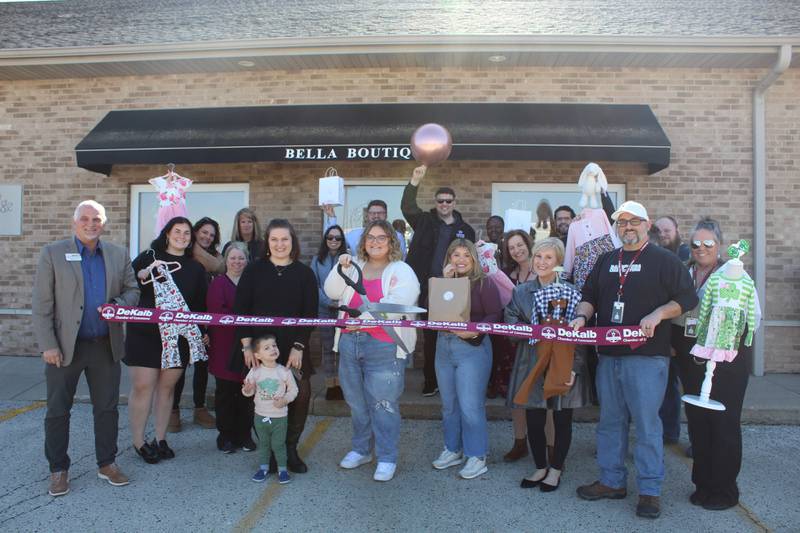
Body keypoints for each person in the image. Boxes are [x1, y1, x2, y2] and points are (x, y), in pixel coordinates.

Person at [571, 201, 697, 519]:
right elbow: (589, 296)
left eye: (634, 221)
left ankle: (650, 491)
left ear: (646, 224)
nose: (628, 227)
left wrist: (658, 313)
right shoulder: (606, 260)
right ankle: (612, 481)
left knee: (646, 425)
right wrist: (581, 317)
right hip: (609, 356)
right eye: (622, 222)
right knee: (610, 422)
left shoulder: (664, 260)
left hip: (647, 357)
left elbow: (687, 297)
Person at [32, 200, 140, 497]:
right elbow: (41, 305)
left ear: (104, 223)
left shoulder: (118, 255)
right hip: (65, 348)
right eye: (85, 219)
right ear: (74, 221)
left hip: (105, 346)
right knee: (57, 411)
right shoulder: (52, 253)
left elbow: (133, 290)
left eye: (97, 219)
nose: (91, 224)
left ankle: (107, 464)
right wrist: (48, 345)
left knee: (106, 409)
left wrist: (118, 306)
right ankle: (58, 469)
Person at [324, 220, 420, 482]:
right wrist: (340, 267)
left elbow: (398, 303)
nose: (375, 242)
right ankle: (361, 449)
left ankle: (387, 457)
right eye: (371, 238)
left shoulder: (402, 270)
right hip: (348, 342)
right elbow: (331, 291)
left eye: (382, 238)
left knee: (384, 403)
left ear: (392, 242)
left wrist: (363, 316)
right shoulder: (354, 267)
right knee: (356, 402)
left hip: (384, 346)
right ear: (363, 242)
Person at [672, 218, 751, 511]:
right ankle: (703, 485)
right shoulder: (684, 273)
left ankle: (724, 490)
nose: (701, 248)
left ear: (719, 246)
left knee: (724, 425)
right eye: (695, 243)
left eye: (707, 243)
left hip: (727, 362)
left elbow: (749, 315)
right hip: (691, 359)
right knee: (698, 424)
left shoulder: (734, 275)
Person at [505, 237, 591, 492]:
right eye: (538, 257)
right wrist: (537, 330)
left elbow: (581, 336)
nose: (542, 262)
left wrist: (575, 367)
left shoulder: (572, 293)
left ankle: (556, 469)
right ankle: (540, 465)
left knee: (563, 419)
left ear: (558, 263)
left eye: (548, 258)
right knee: (534, 419)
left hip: (564, 364)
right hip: (532, 362)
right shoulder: (520, 292)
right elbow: (509, 326)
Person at [233, 218, 318, 474]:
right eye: (274, 239)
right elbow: (241, 310)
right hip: (260, 347)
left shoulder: (304, 274)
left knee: (300, 394)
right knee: (261, 397)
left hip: (293, 345)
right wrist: (247, 346)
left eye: (285, 239)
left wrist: (299, 345)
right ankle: (269, 450)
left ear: (293, 242)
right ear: (267, 243)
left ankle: (290, 449)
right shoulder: (253, 271)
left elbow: (310, 314)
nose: (280, 244)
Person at [124, 216, 209, 464]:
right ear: (167, 233)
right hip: (146, 334)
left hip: (178, 336)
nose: (182, 236)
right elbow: (129, 283)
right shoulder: (148, 256)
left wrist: (202, 330)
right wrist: (141, 273)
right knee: (143, 386)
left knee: (166, 387)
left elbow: (200, 305)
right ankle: (139, 441)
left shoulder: (196, 268)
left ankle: (160, 439)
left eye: (186, 233)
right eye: (177, 231)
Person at [430, 239, 503, 480]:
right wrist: (444, 282)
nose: (460, 260)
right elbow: (429, 310)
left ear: (473, 259)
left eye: (466, 255)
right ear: (449, 258)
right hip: (444, 346)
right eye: (455, 254)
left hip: (472, 348)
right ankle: (453, 449)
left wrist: (476, 330)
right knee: (449, 404)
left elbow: (495, 313)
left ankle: (477, 455)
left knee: (470, 406)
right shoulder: (441, 281)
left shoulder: (484, 283)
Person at [402, 165, 475, 396]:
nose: (444, 204)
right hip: (425, 288)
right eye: (441, 201)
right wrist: (414, 181)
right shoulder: (424, 221)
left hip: (453, 289)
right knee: (430, 336)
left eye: (448, 201)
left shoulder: (466, 230)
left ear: (454, 203)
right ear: (436, 202)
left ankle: (452, 378)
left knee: (453, 332)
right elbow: (407, 207)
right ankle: (430, 380)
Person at [169, 216, 223, 432]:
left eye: (211, 235)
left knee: (201, 364)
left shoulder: (217, 259)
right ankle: (173, 411)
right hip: (182, 315)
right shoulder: (186, 255)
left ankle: (199, 409)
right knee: (180, 365)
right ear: (195, 232)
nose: (207, 237)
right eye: (204, 232)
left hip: (205, 315)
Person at [206, 242, 255, 453]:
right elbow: (219, 311)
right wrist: (243, 319)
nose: (237, 262)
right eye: (233, 258)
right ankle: (225, 435)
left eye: (241, 258)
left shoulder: (253, 284)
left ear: (247, 260)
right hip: (225, 345)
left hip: (249, 346)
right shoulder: (218, 283)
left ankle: (244, 435)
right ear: (226, 260)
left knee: (247, 392)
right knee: (225, 393)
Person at [242, 334, 299, 485]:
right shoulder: (255, 371)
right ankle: (263, 468)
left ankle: (282, 470)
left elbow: (293, 390)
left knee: (279, 445)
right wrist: (247, 389)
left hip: (280, 417)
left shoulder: (284, 371)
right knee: (264, 445)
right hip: (260, 416)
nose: (273, 349)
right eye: (267, 348)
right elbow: (248, 391)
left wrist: (285, 400)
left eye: (274, 346)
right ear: (257, 355)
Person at [653, 215, 691, 445]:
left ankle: (690, 438)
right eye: (660, 230)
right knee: (666, 386)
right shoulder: (655, 258)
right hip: (661, 332)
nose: (664, 234)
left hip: (683, 333)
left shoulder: (686, 257)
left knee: (689, 388)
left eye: (668, 230)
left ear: (677, 230)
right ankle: (668, 432)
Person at [498, 228, 534, 462]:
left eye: (520, 245)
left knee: (542, 394)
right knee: (518, 396)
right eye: (512, 247)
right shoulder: (506, 275)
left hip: (539, 342)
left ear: (528, 244)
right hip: (513, 342)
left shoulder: (542, 270)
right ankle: (520, 442)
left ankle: (547, 445)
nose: (517, 250)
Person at [311, 224, 348, 400]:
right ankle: (330, 385)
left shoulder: (348, 259)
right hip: (324, 310)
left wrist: (340, 303)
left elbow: (351, 283)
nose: (334, 240)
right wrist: (328, 302)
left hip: (343, 310)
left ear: (342, 241)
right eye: (330, 237)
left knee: (341, 348)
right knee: (328, 348)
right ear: (325, 240)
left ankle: (341, 384)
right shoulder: (317, 260)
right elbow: (314, 285)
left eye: (337, 238)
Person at [323, 200, 407, 257]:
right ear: (367, 215)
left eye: (380, 213)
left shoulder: (397, 236)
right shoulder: (354, 235)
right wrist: (331, 217)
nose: (376, 216)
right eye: (372, 213)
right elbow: (333, 240)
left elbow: (401, 258)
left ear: (386, 215)